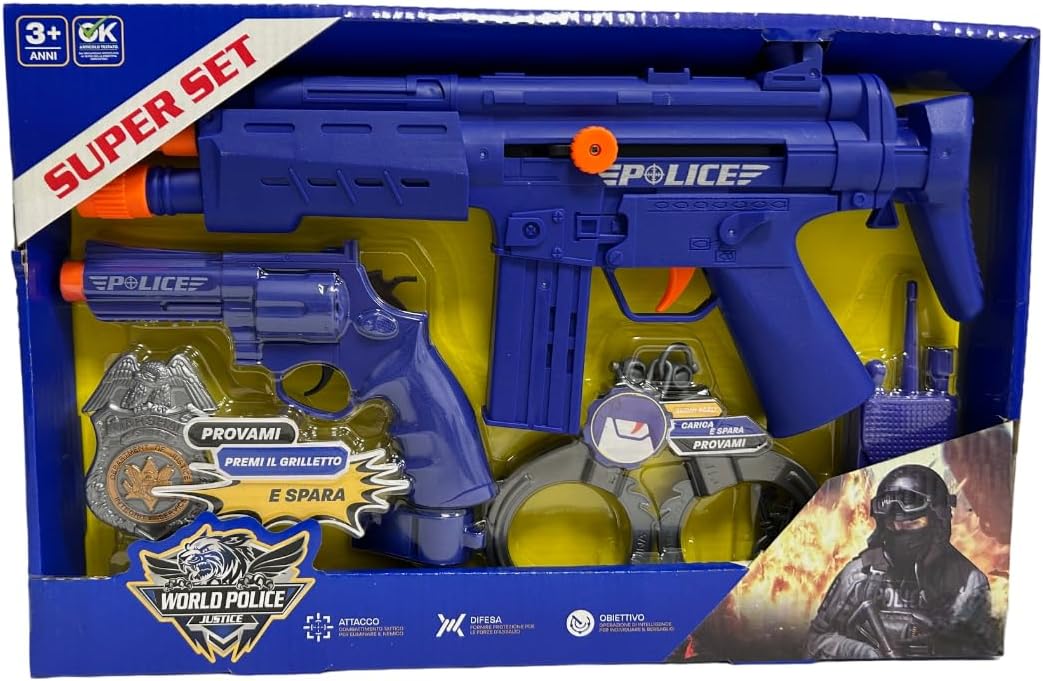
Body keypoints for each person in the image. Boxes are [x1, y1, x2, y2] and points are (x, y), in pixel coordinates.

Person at [806, 464, 994, 658]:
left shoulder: (968, 583)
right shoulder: (860, 575)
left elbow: (986, 656)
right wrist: (864, 654)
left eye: (912, 523)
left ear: (938, 522)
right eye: (892, 524)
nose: (899, 531)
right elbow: (817, 640)